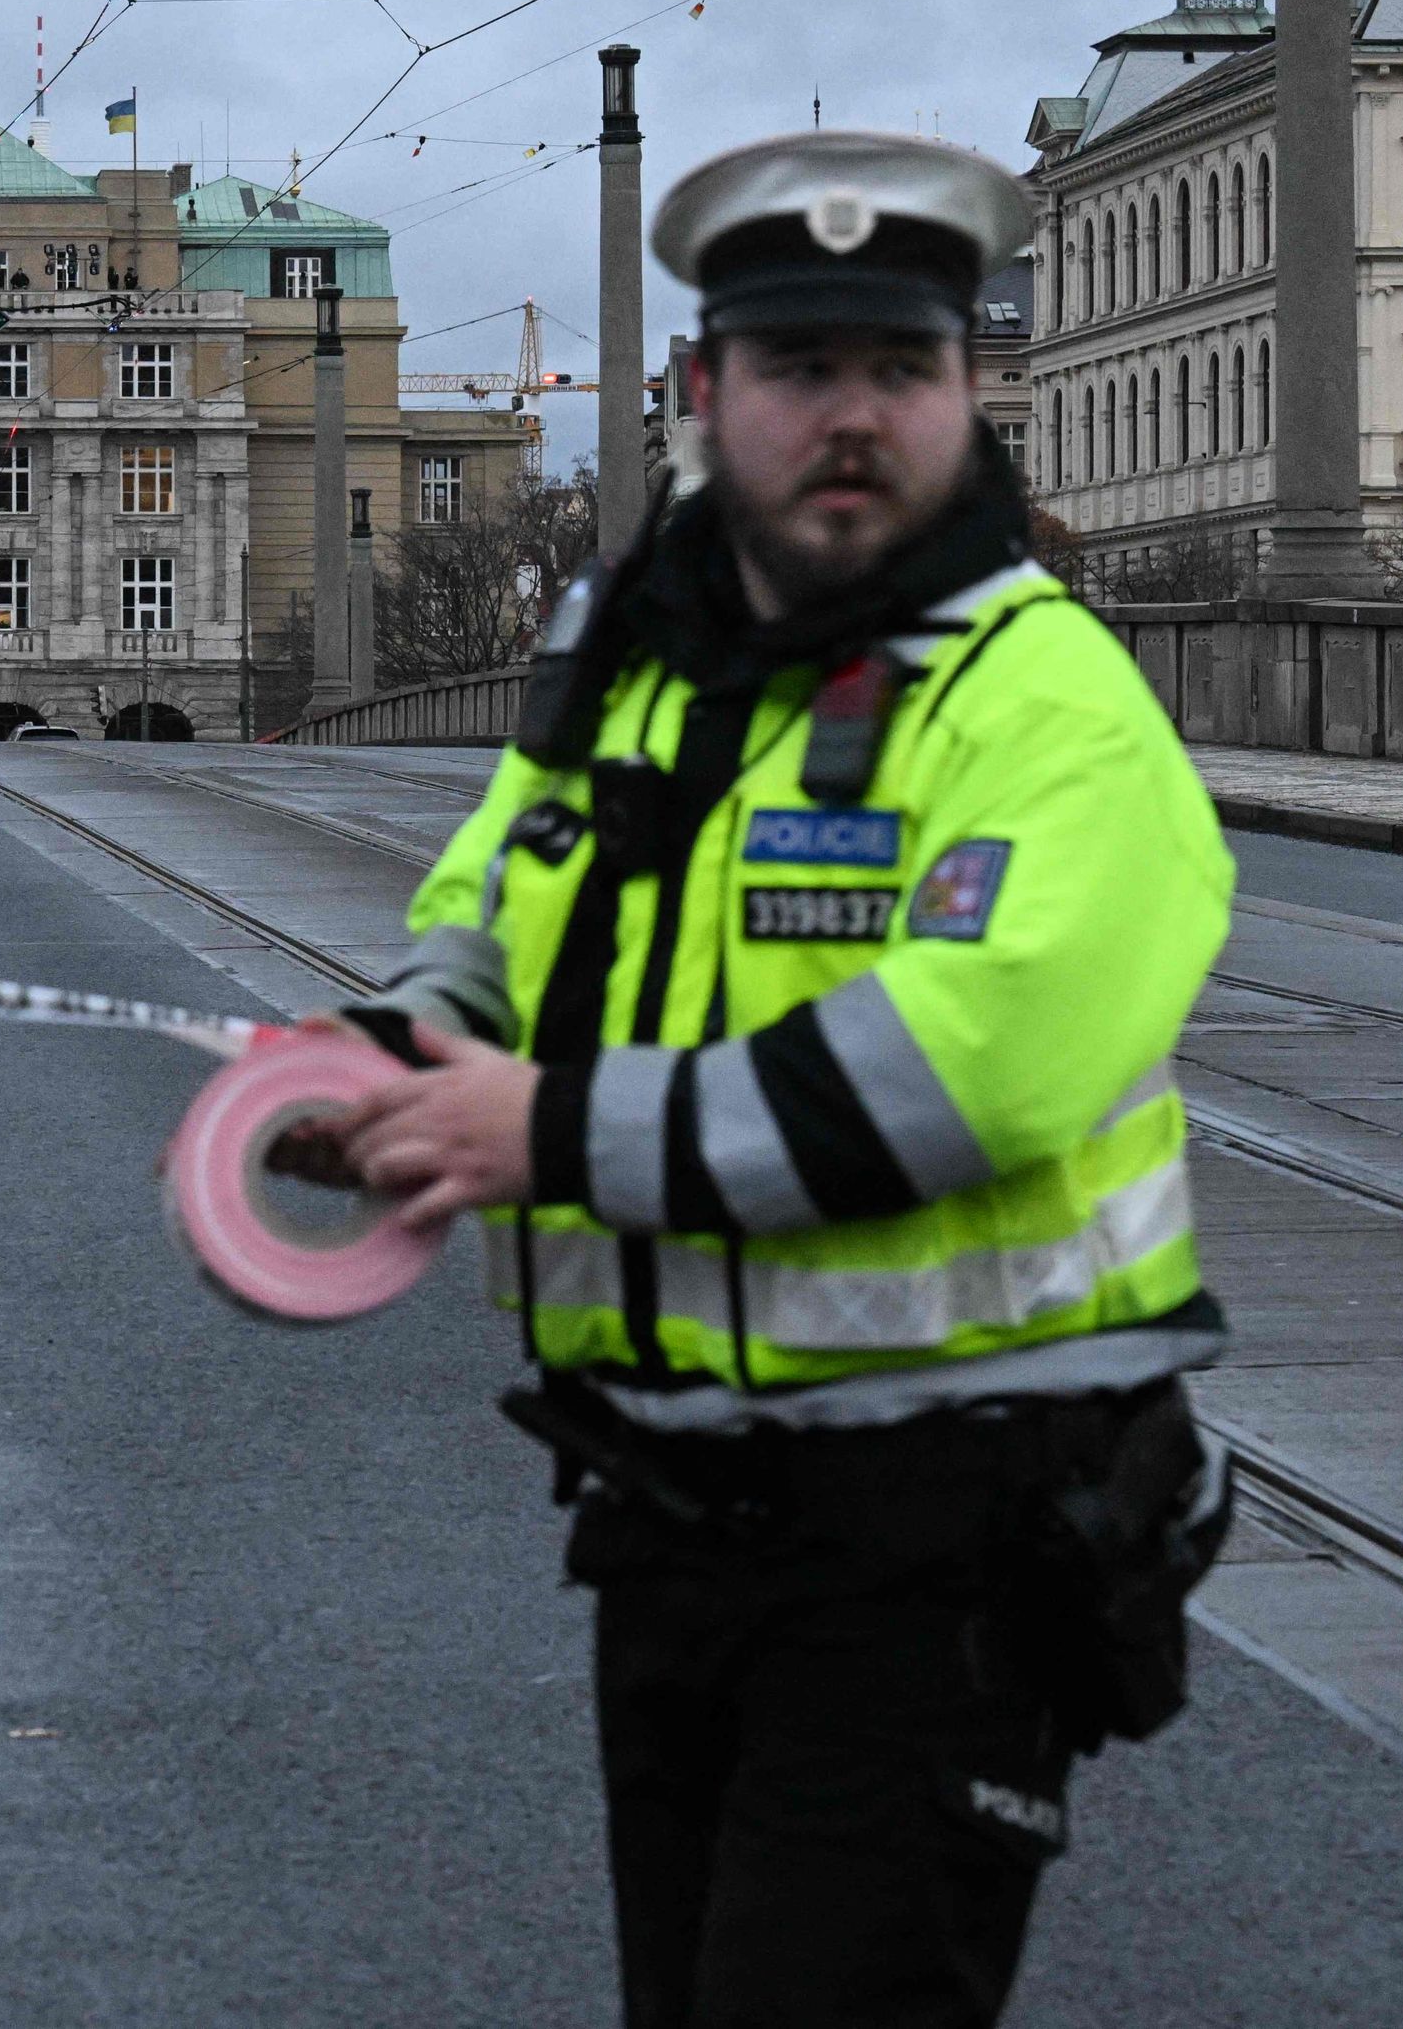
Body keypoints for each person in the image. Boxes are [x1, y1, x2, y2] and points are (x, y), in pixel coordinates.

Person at [297, 128, 1235, 2029]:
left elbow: (966, 1067)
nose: (858, 418)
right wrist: (398, 1048)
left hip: (946, 1529)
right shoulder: (645, 674)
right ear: (707, 397)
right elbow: (494, 905)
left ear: (969, 396)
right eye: (806, 372)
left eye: (906, 371)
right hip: (671, 1513)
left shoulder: (1041, 697)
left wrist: (540, 1131)